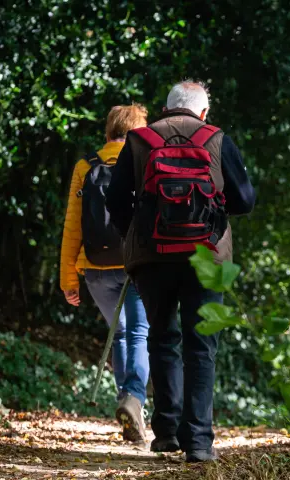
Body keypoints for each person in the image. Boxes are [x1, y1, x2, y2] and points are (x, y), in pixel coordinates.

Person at [105, 81, 256, 462]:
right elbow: (245, 199)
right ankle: (200, 442)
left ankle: (167, 432)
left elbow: (116, 200)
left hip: (153, 257)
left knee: (161, 338)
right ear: (202, 113)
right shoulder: (217, 138)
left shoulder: (139, 140)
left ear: (167, 108)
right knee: (201, 346)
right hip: (208, 258)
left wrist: (136, 234)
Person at [59, 104, 150, 444]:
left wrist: (68, 280)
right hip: (135, 266)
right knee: (139, 333)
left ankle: (130, 406)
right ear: (139, 130)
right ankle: (134, 399)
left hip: (95, 270)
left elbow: (72, 227)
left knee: (122, 333)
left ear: (109, 130)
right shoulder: (144, 161)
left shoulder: (86, 166)